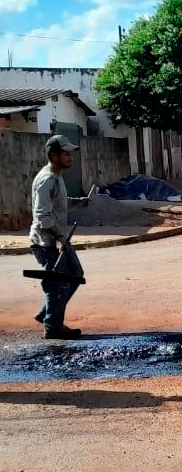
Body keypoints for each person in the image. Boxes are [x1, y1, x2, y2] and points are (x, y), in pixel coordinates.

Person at [29, 135, 87, 339]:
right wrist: (59, 238)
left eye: (70, 153)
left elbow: (59, 201)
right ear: (53, 155)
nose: (70, 157)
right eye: (65, 153)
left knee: (76, 274)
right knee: (57, 283)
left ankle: (48, 313)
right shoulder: (47, 179)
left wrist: (78, 202)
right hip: (48, 242)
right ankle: (53, 327)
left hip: (58, 239)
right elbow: (42, 215)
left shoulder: (57, 176)